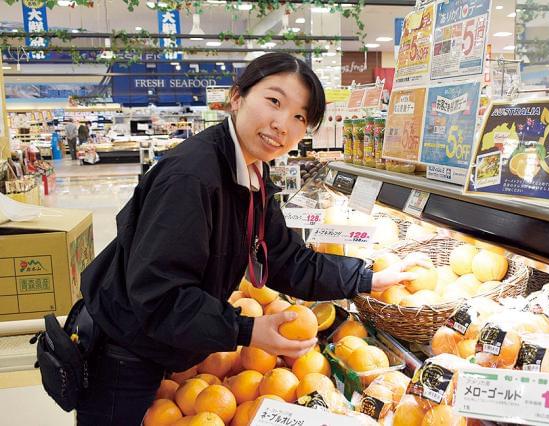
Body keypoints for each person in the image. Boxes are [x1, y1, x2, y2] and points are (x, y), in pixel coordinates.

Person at [75, 53, 425, 425]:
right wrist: (247, 329)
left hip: (160, 342)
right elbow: (159, 296)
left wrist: (367, 277)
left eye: (299, 117)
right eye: (274, 101)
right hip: (122, 355)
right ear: (237, 97)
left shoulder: (250, 172)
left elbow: (285, 260)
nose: (282, 124)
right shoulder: (193, 176)